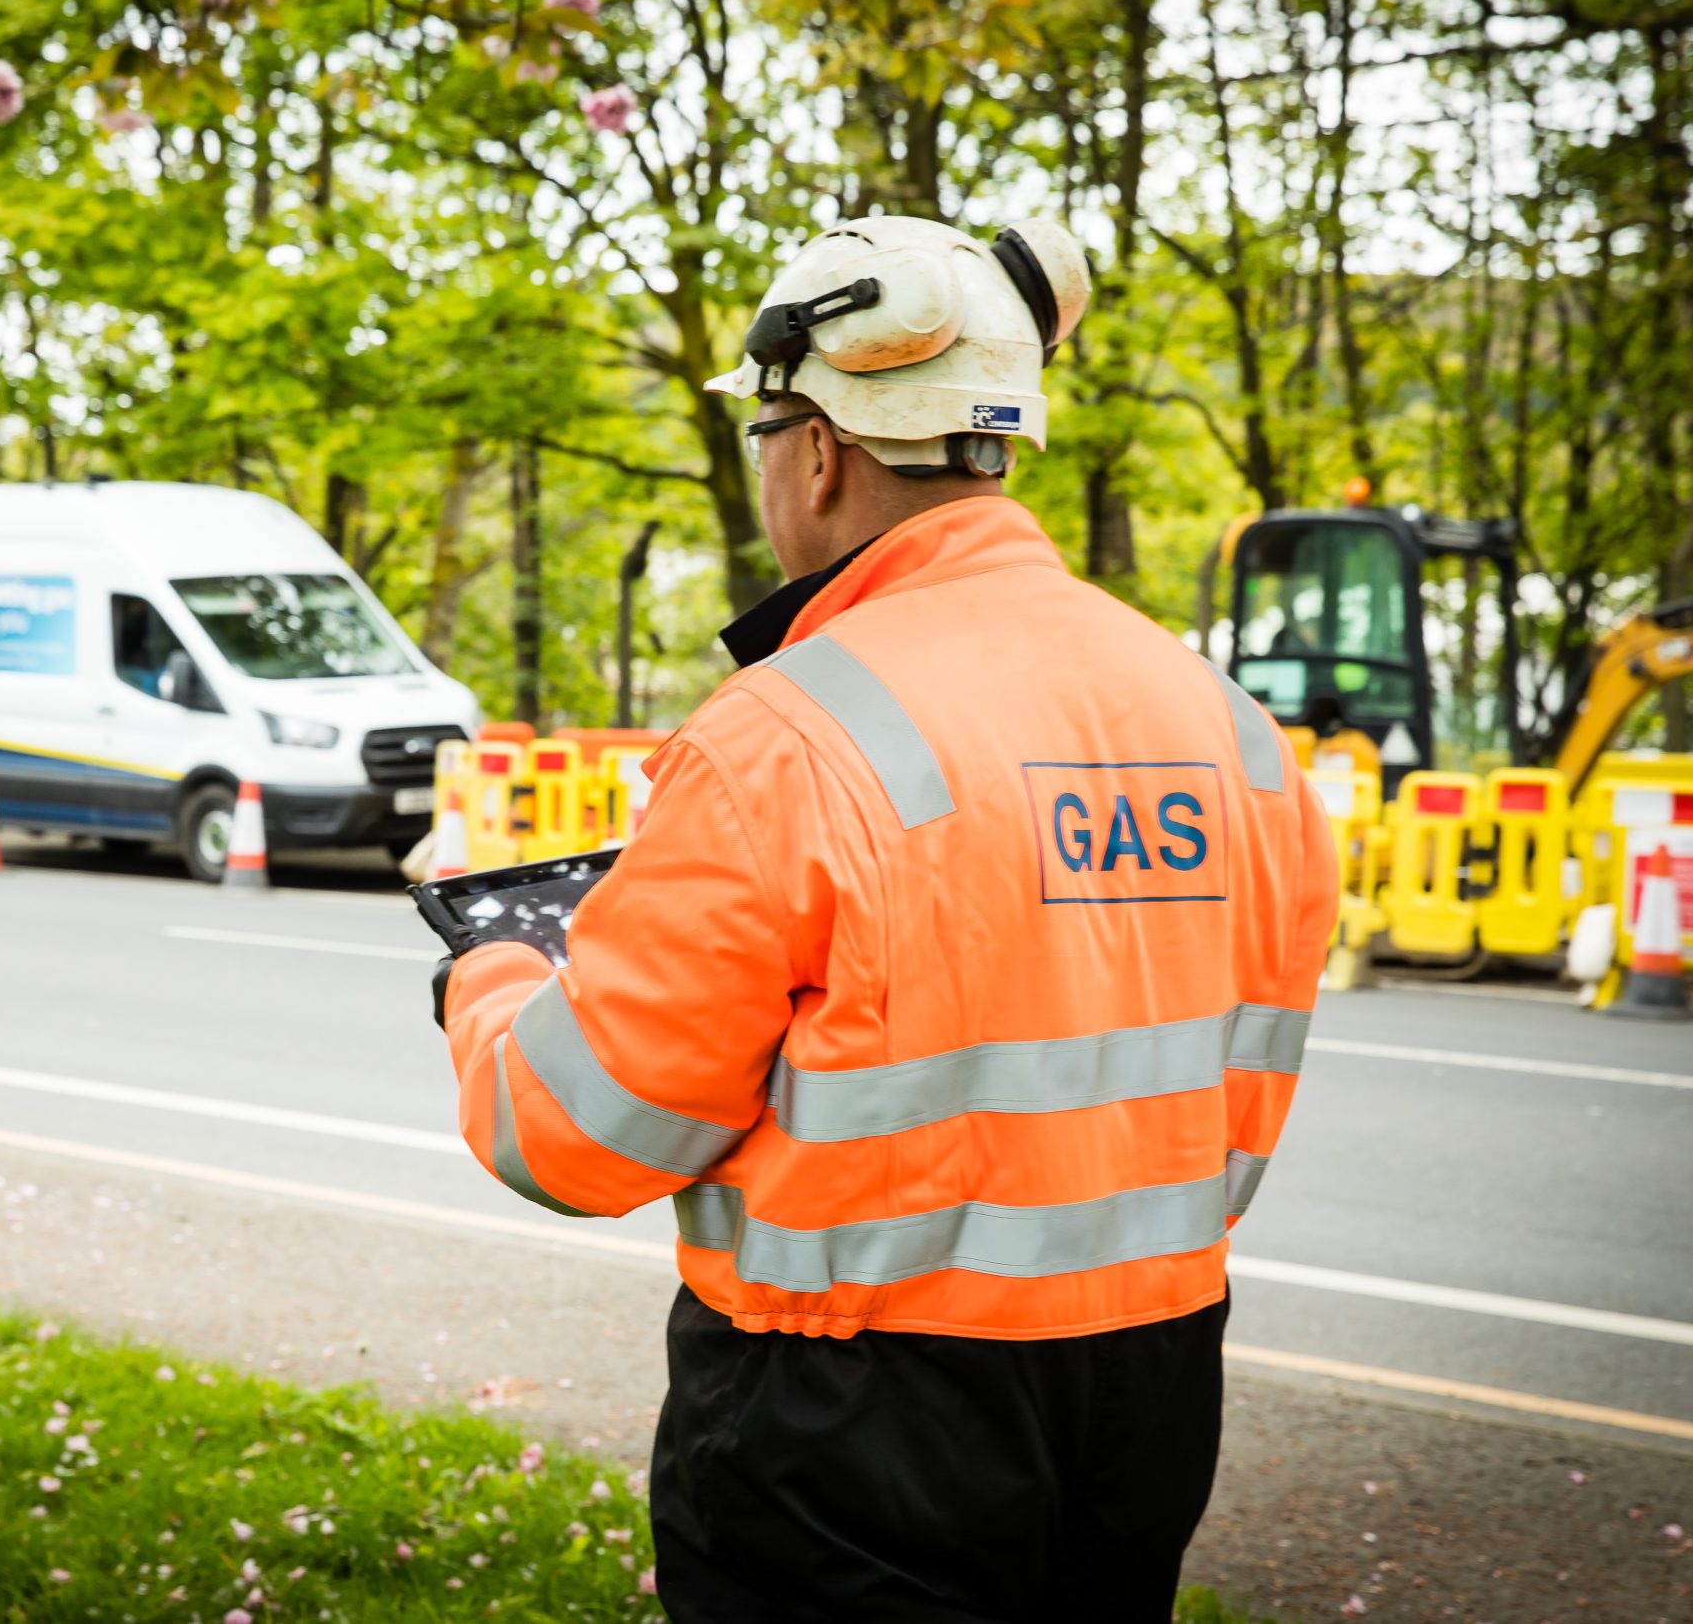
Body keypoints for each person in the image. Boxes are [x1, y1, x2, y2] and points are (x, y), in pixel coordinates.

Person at [434, 214, 1338, 1623]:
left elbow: (581, 1136)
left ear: (819, 448)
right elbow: (1232, 1092)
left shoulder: (784, 737)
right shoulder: (1228, 726)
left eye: (763, 440)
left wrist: (492, 976)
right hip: (1151, 1385)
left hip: (852, 1414)